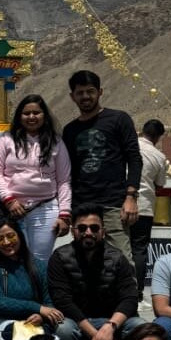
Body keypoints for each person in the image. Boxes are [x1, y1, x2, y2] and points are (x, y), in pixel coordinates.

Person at [48, 204, 145, 340]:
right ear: (72, 231)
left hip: (111, 321)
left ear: (103, 231)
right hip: (78, 322)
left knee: (140, 327)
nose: (88, 232)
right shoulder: (60, 257)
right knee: (64, 329)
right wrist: (95, 334)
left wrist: (110, 327)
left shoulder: (117, 257)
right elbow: (63, 301)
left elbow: (130, 298)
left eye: (94, 228)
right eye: (82, 228)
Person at [61, 70, 142, 260]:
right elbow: (67, 171)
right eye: (80, 93)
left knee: (121, 260)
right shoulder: (69, 130)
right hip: (81, 205)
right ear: (72, 97)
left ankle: (128, 291)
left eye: (90, 91)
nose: (85, 97)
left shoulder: (119, 119)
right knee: (84, 260)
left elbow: (134, 158)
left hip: (113, 204)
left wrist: (131, 196)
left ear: (100, 92)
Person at [0, 94, 72, 263]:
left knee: (41, 259)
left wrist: (64, 214)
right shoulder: (6, 140)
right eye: (26, 113)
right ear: (19, 116)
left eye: (36, 112)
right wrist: (9, 200)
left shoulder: (56, 142)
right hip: (12, 210)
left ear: (44, 115)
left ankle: (39, 290)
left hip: (46, 208)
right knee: (15, 257)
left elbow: (64, 180)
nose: (31, 117)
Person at [131, 119, 166, 298]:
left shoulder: (128, 146)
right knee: (139, 250)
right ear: (159, 137)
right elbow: (160, 184)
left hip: (120, 204)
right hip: (144, 207)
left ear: (141, 130)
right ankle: (137, 291)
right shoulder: (159, 156)